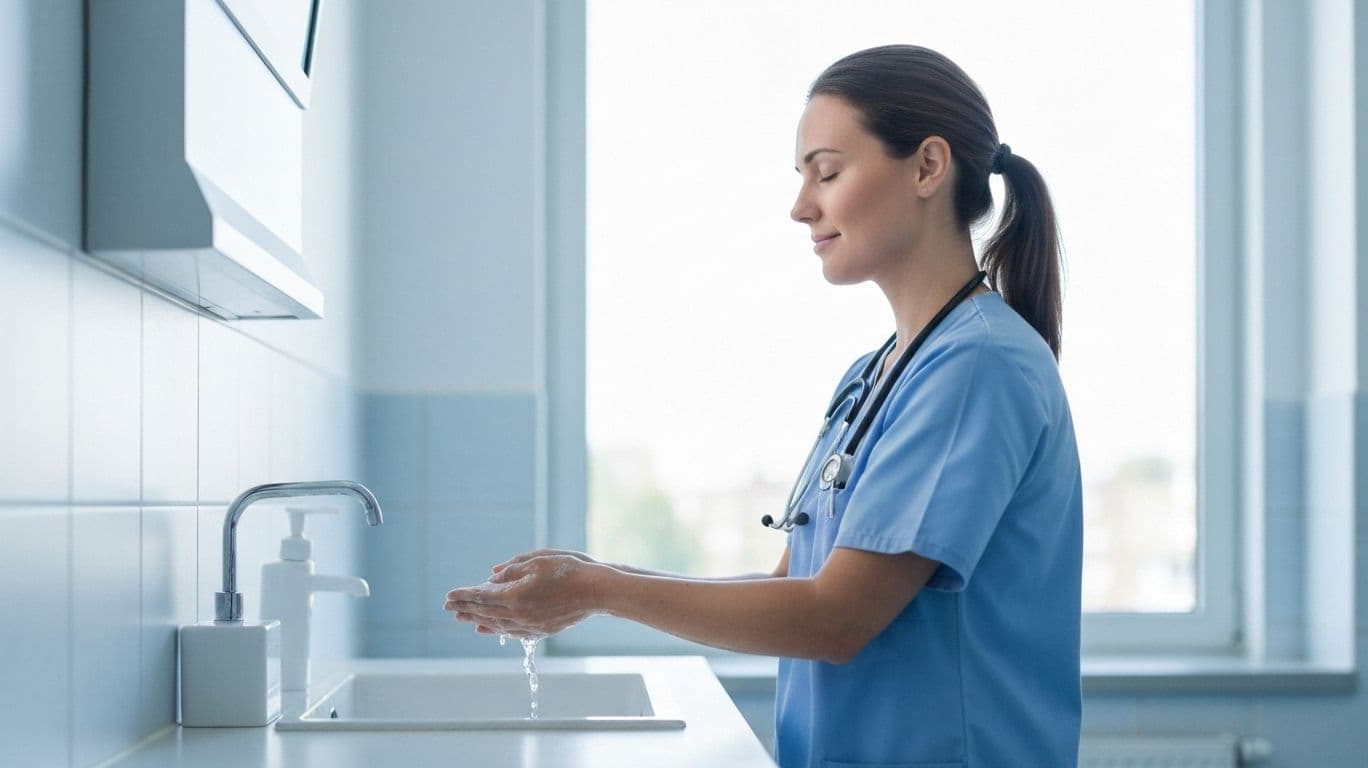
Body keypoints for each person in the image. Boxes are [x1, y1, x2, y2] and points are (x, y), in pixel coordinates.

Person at [445, 44, 1082, 768]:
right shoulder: (874, 375)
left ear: (928, 167)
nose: (801, 205)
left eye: (828, 171)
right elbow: (795, 590)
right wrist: (597, 576)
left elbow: (836, 618)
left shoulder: (979, 366)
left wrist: (600, 590)